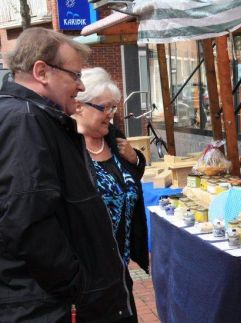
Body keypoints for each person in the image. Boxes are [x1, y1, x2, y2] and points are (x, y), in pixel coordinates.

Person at [0, 28, 133, 321]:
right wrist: (76, 286)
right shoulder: (25, 120)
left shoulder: (36, 117)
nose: (81, 86)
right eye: (74, 75)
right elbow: (28, 222)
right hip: (46, 305)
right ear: (42, 72)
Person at [72, 67, 149, 321]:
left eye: (113, 108)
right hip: (88, 272)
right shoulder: (68, 148)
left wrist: (136, 158)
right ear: (80, 106)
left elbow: (131, 176)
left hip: (120, 265)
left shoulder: (113, 138)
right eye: (105, 108)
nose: (111, 116)